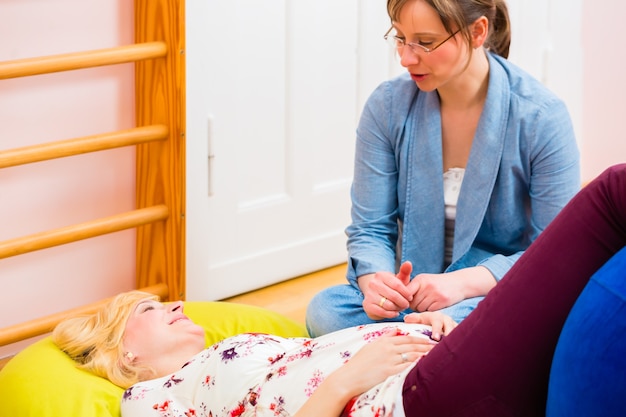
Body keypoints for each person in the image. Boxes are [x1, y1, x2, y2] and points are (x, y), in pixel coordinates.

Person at [53, 163, 626, 417]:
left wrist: (411, 328)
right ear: (124, 350)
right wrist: (352, 375)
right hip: (416, 399)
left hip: (430, 362)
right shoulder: (149, 400)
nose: (176, 304)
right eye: (153, 309)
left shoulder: (228, 352)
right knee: (612, 198)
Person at [305, 0, 581, 337]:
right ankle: (435, 351)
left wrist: (462, 285)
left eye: (425, 41)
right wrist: (376, 283)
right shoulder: (387, 107)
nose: (407, 58)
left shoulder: (542, 118)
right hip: (412, 299)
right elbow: (370, 229)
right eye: (400, 38)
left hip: (488, 294)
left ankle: (414, 349)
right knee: (326, 311)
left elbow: (554, 255)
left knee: (514, 318)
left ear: (478, 31)